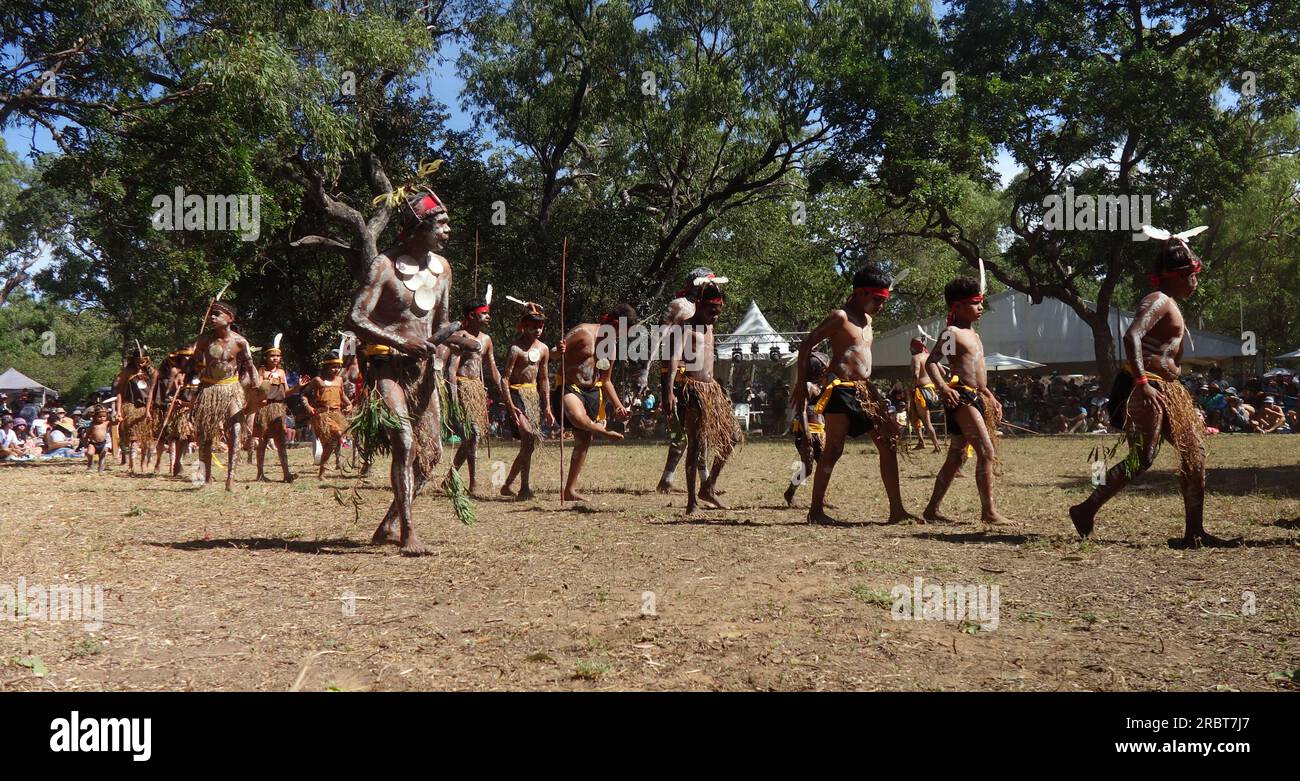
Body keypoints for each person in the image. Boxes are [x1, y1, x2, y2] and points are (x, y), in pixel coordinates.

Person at [1069, 226, 1236, 547]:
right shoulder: (1157, 299)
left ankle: (1194, 532)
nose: (1195, 282)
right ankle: (1086, 509)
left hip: (1163, 388)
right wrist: (1144, 383)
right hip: (1146, 387)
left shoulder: (1168, 301)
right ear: (1174, 275)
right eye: (1190, 275)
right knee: (1143, 458)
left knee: (1193, 454)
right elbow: (1132, 336)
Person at [346, 186, 480, 556]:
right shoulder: (384, 265)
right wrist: (397, 341)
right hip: (385, 366)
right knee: (404, 442)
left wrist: (458, 338)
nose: (448, 230)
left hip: (424, 372)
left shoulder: (443, 270)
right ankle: (408, 531)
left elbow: (443, 323)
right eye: (441, 223)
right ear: (418, 226)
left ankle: (389, 522)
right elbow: (355, 316)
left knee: (432, 453)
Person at [792, 264, 912, 525]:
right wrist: (801, 384)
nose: (881, 305)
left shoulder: (868, 320)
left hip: (865, 390)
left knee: (888, 444)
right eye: (877, 300)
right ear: (860, 293)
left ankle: (897, 510)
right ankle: (815, 511)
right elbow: (806, 344)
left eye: (884, 300)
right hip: (841, 390)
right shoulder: (840, 317)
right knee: (833, 449)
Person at [922, 275, 1008, 525]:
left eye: (981, 302)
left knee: (957, 456)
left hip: (977, 396)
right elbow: (933, 362)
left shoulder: (974, 335)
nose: (980, 307)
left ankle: (931, 510)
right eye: (974, 302)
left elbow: (978, 375)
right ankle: (989, 512)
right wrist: (943, 388)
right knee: (986, 451)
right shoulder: (952, 333)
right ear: (957, 306)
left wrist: (990, 396)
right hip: (962, 398)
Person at [665, 279, 742, 513]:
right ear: (698, 304)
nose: (715, 317)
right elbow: (673, 359)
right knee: (696, 446)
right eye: (711, 312)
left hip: (712, 391)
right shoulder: (684, 327)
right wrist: (669, 390)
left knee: (732, 438)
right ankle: (691, 502)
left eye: (718, 313)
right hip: (692, 390)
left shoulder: (710, 327)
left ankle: (708, 487)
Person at [647, 268, 727, 493]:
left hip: (700, 382)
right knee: (683, 435)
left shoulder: (706, 310)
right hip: (680, 381)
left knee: (698, 435)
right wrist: (663, 383)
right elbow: (658, 340)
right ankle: (676, 481)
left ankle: (699, 482)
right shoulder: (679, 306)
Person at [554, 305, 635, 502]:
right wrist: (558, 350)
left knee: (583, 441)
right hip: (569, 387)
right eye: (621, 332)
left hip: (592, 392)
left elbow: (606, 380)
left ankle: (569, 490)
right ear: (614, 324)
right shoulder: (583, 332)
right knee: (580, 420)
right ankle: (603, 431)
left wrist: (618, 406)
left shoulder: (611, 348)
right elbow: (552, 354)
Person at [192, 301, 260, 491]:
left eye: (217, 314)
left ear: (230, 318)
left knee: (236, 430)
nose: (212, 317)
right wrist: (196, 361)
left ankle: (231, 478)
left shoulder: (240, 342)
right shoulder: (204, 340)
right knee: (205, 435)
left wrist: (253, 386)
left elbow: (249, 367)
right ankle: (206, 478)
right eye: (211, 314)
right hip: (209, 389)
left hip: (231, 389)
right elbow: (194, 361)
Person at [498, 300, 555, 499]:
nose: (538, 329)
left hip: (533, 397)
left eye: (541, 325)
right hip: (516, 394)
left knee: (528, 444)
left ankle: (517, 486)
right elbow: (504, 379)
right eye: (534, 325)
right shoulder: (515, 349)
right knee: (529, 438)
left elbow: (544, 378)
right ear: (524, 325)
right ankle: (519, 486)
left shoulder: (544, 349)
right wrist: (510, 405)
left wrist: (547, 406)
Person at [448, 296, 502, 496]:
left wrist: (502, 390)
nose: (488, 316)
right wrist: (454, 396)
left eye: (487, 313)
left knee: (471, 438)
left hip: (477, 389)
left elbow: (492, 368)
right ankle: (473, 483)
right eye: (484, 313)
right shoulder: (460, 337)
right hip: (463, 387)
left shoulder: (486, 339)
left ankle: (450, 477)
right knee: (474, 434)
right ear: (472, 315)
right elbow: (452, 370)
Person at [247, 334, 294, 482]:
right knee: (263, 441)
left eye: (278, 356)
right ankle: (260, 474)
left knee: (281, 441)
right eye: (272, 356)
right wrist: (266, 381)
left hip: (278, 409)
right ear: (265, 357)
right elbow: (259, 390)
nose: (275, 358)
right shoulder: (261, 371)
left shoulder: (281, 372)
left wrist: (298, 386)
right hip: (265, 408)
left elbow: (286, 392)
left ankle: (286, 474)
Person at [784, 351, 829, 507]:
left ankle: (821, 499)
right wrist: (807, 432)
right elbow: (801, 411)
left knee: (824, 466)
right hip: (806, 432)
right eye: (824, 367)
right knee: (808, 469)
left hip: (820, 430)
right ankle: (790, 492)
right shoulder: (807, 386)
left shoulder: (820, 385)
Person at [300, 352, 352, 479]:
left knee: (330, 442)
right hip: (322, 415)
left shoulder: (339, 380)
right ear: (326, 367)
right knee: (336, 436)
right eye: (333, 367)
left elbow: (342, 395)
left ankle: (322, 470)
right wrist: (308, 407)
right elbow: (304, 395)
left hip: (336, 414)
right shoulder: (317, 380)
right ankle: (323, 469)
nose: (336, 370)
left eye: (338, 367)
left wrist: (349, 404)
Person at [155, 347, 197, 476]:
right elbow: (169, 394)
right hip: (183, 409)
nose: (187, 359)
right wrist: (175, 396)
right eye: (185, 357)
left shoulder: (198, 371)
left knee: (197, 437)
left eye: (190, 357)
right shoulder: (175, 372)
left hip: (198, 408)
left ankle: (199, 466)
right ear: (179, 358)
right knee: (182, 436)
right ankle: (178, 463)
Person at [908, 336, 943, 452]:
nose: (909, 348)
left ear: (914, 348)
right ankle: (921, 442)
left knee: (926, 421)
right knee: (914, 418)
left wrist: (912, 387)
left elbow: (916, 374)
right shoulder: (931, 357)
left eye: (911, 346)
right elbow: (942, 372)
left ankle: (937, 447)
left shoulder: (915, 358)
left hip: (921, 391)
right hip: (932, 391)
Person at [82, 405, 112, 473]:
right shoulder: (92, 424)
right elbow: (87, 434)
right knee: (90, 453)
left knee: (102, 455)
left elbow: (114, 421)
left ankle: (101, 468)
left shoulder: (106, 423)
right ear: (94, 417)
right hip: (93, 443)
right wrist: (86, 443)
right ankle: (90, 466)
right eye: (99, 416)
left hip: (103, 443)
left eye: (104, 416)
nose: (102, 418)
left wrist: (116, 417)